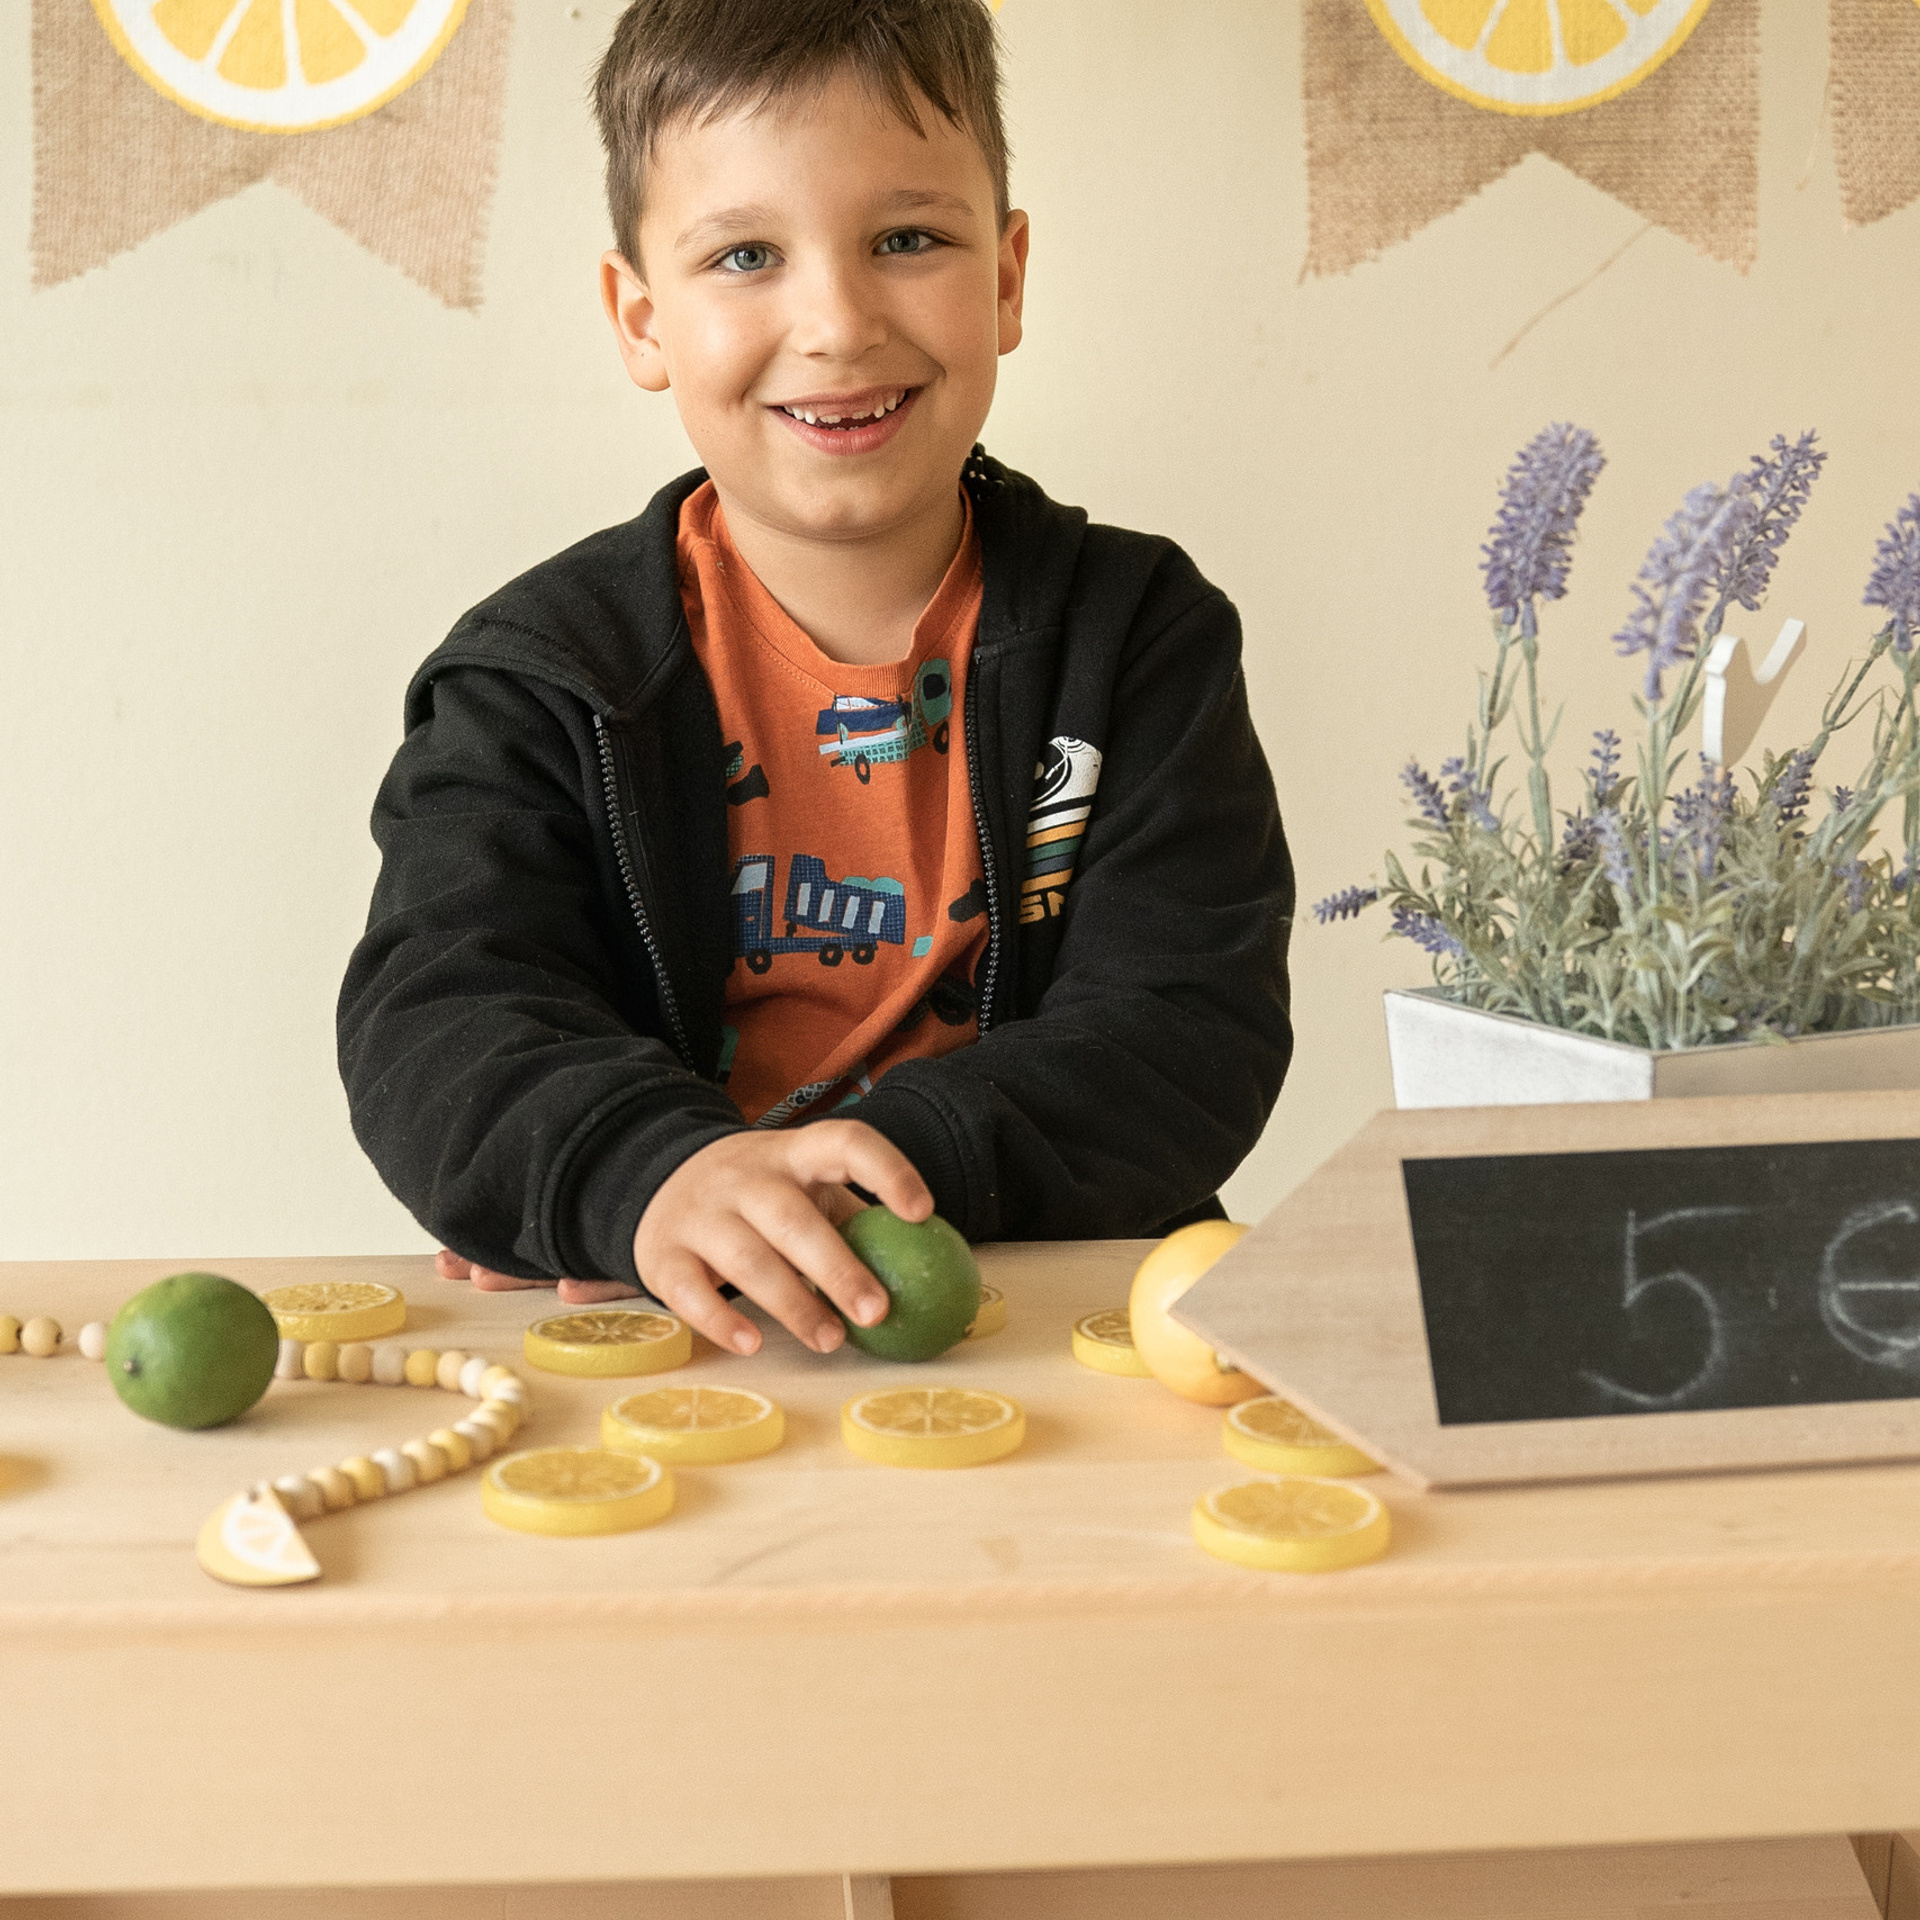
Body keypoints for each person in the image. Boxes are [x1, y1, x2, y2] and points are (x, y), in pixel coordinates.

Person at [337, 0, 1293, 1361]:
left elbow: (1189, 1033)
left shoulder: (1138, 635)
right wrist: (637, 1176)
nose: (837, 322)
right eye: (744, 255)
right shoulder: (540, 678)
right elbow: (437, 1023)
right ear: (641, 317)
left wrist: (856, 1179)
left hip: (1051, 1326)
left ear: (1008, 277)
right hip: (669, 1340)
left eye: (908, 239)